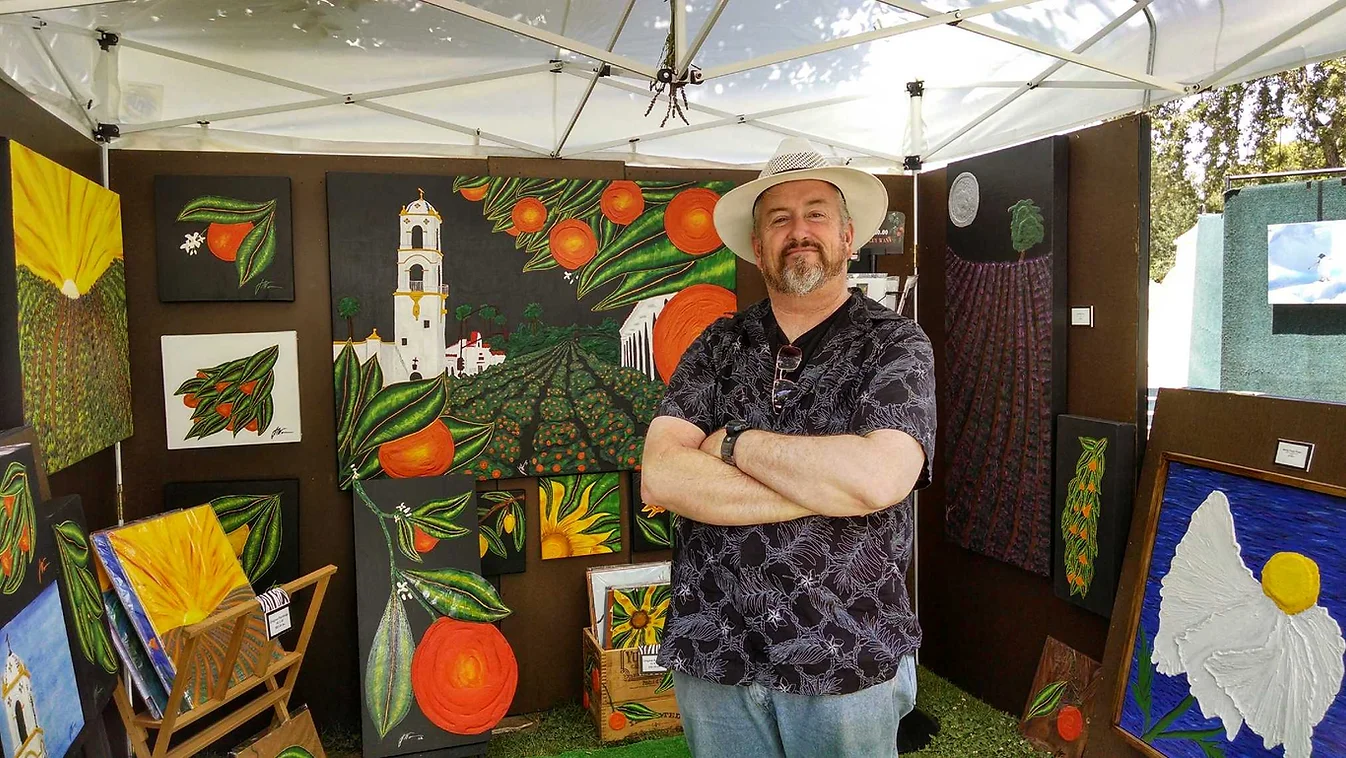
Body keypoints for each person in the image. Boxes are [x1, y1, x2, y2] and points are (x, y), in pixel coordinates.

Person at [640, 137, 937, 758]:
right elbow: (663, 475)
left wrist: (736, 444)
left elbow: (879, 479)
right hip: (716, 652)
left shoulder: (894, 345)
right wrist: (824, 488)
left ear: (847, 236)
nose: (798, 230)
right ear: (758, 246)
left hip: (846, 655)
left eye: (815, 213)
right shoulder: (717, 346)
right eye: (779, 218)